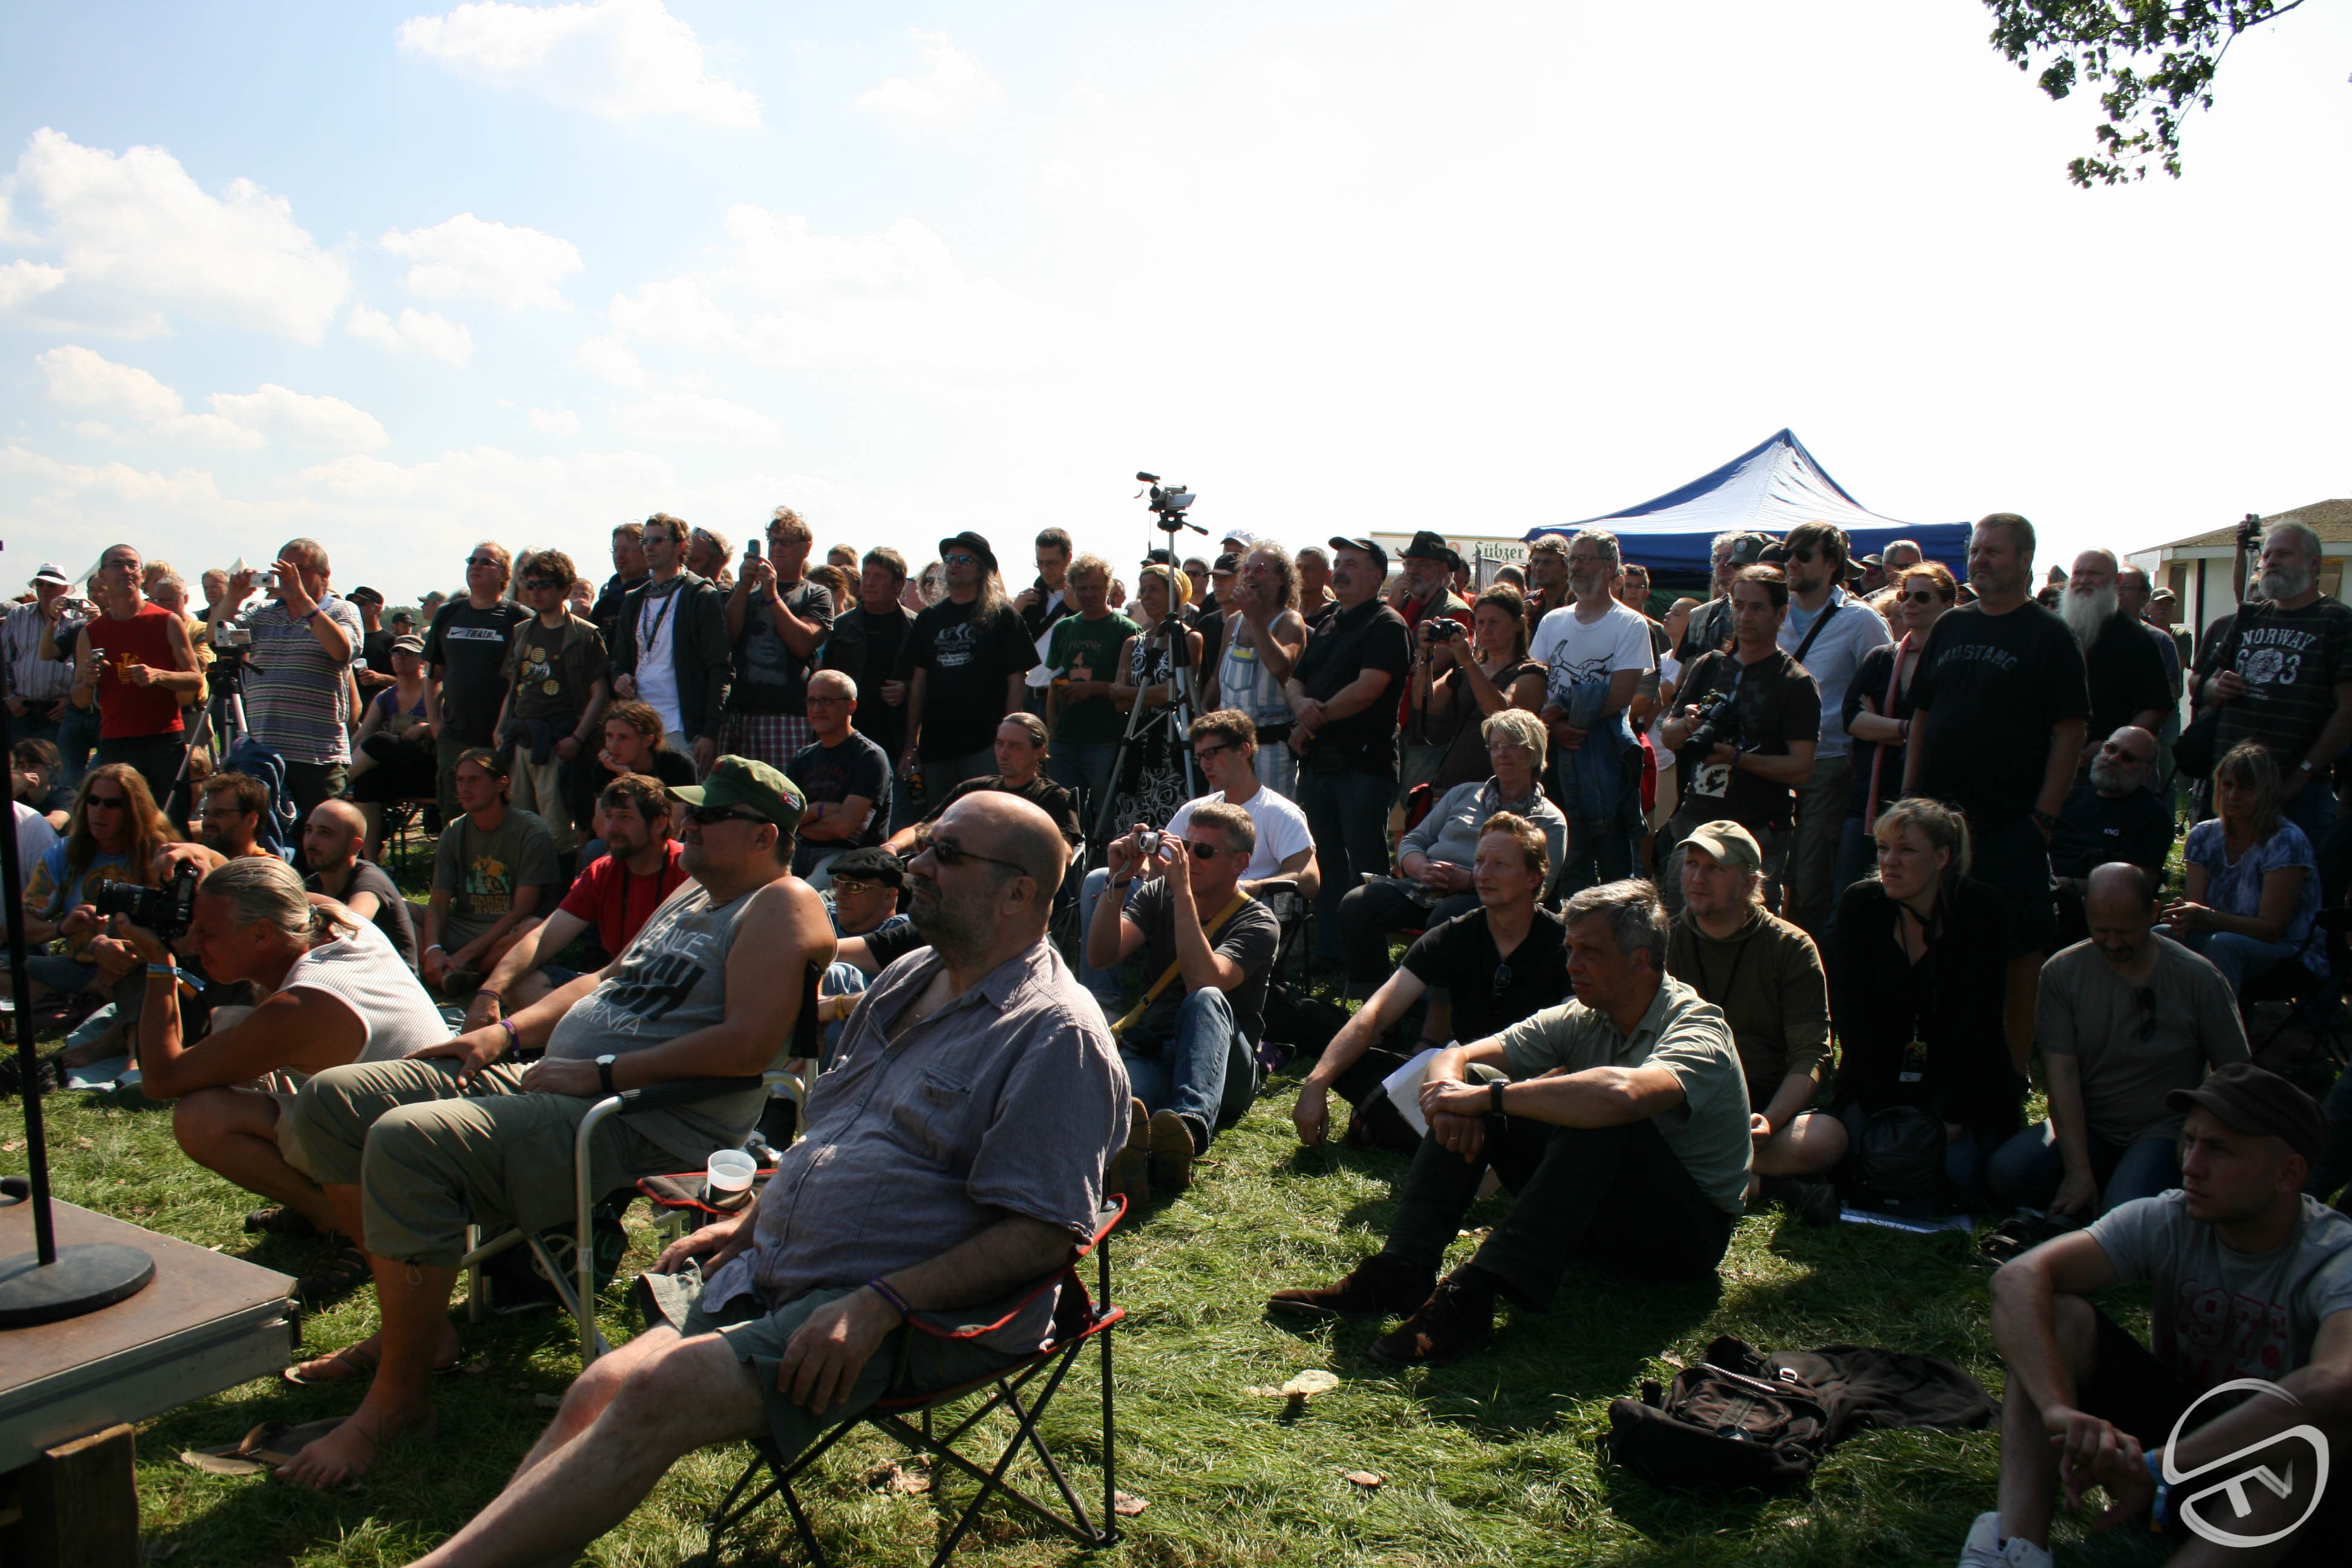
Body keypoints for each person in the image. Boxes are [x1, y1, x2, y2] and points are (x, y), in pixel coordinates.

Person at [398, 791, 1114, 1565]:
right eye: (925, 848)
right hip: (788, 1265)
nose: (917, 868)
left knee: (660, 1390)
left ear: (1018, 892)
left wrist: (878, 1304)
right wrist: (750, 1223)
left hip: (911, 1316)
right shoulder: (911, 975)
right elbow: (837, 1134)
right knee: (600, 1385)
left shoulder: (1055, 1033)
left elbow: (1043, 1235)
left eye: (947, 855)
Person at [275, 757, 828, 1489]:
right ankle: (418, 1328)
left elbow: (747, 1048)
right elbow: (603, 980)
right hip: (561, 1081)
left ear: (764, 837)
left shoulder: (783, 903)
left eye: (710, 816)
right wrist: (502, 1034)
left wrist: (601, 1074)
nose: (689, 823)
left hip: (637, 1119)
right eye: (692, 811)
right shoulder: (693, 891)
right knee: (331, 1103)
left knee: (406, 1142)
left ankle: (398, 1403)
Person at [1268, 880, 1750, 1368]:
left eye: (1589, 952)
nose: (1572, 965)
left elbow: (1623, 1095)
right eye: (1569, 949)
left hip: (1680, 1241)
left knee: (1600, 1118)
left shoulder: (1698, 1028)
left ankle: (1471, 1297)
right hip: (1603, 1216)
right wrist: (1455, 1099)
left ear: (1640, 960)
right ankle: (1403, 1268)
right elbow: (1455, 1058)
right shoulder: (1585, 1014)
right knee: (1476, 1083)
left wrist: (1487, 1099)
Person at [1965, 1065, 2351, 1568]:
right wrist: (2058, 1409)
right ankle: (2015, 1549)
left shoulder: (2334, 1255)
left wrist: (2161, 1467)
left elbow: (2334, 1385)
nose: (2192, 1165)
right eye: (2188, 1141)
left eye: (2219, 1150)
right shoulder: (2171, 1218)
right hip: (2175, 1446)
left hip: (2277, 1487)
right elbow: (2017, 1278)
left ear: (2288, 1174)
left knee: (2313, 1437)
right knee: (2057, 1318)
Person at [99, 856, 448, 1291]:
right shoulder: (339, 923)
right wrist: (200, 881)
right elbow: (279, 890)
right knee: (235, 1038)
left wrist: (159, 963)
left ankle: (343, 1223)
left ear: (262, 933)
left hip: (411, 1171)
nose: (194, 942)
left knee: (201, 1116)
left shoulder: (306, 1004)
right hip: (428, 1136)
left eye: (208, 931)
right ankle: (332, 1205)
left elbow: (161, 1079)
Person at [1903, 514, 2091, 1080]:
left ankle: (2009, 1078)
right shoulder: (1951, 626)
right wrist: (1908, 799)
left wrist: (2044, 816)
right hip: (1939, 826)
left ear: (2025, 560)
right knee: (1939, 946)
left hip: (2011, 825)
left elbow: (2070, 729)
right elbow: (1923, 714)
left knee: (2018, 952)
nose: (1980, 560)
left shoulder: (2049, 634)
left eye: (1994, 551)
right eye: (1976, 551)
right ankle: (1945, 1065)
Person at [1986, 864, 2249, 1220]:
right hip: (2090, 1125)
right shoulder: (2063, 973)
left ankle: (2116, 1195)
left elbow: (2235, 1073)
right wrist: (2077, 1170)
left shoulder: (2199, 979)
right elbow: (2061, 1075)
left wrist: (2208, 1146)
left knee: (2123, 1216)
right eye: (2101, 931)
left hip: (2163, 1129)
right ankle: (2095, 1189)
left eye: (2125, 932)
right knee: (2007, 1172)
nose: (2112, 943)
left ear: (2153, 913)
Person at [1292, 814, 1568, 1146]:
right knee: (1335, 1048)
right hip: (1459, 1078)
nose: (1483, 874)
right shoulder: (1454, 934)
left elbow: (1582, 1045)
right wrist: (1316, 1083)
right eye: (1480, 861)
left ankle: (1392, 1123)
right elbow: (1376, 1012)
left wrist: (1513, 1098)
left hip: (1535, 1089)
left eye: (1500, 865)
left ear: (1533, 878)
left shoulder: (1566, 944)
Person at [1828, 797, 2022, 1200]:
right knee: (1863, 1160)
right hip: (1879, 1075)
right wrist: (1883, 1112)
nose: (1889, 862)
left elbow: (1980, 1022)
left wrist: (1955, 1116)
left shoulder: (1980, 909)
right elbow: (1853, 1018)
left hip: (1957, 1078)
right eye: (1883, 848)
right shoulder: (1862, 905)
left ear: (1942, 857)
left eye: (1906, 850)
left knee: (1956, 1175)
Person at [1090, 801, 1278, 1194]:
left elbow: (1203, 980)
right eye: (1187, 846)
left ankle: (1188, 1130)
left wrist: (1181, 893)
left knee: (1206, 999)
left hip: (1224, 1065)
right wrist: (1118, 881)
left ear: (1240, 863)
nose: (1190, 858)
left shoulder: (1259, 922)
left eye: (1204, 851)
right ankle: (1137, 1165)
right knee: (1123, 1110)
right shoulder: (1159, 894)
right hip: (1156, 1046)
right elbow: (1102, 956)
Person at [1667, 820, 1846, 1225]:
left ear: (1750, 882)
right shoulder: (1666, 940)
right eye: (1691, 864)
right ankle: (1769, 1186)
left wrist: (1770, 1121)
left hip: (1763, 1107)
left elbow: (1812, 1053)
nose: (1697, 878)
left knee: (1825, 1139)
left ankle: (1697, 1171)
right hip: (1687, 1102)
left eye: (1715, 868)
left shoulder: (1791, 947)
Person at [1338, 709, 1566, 994]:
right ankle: (1372, 998)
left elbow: (1541, 885)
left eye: (1512, 746)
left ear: (1534, 753)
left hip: (1486, 898)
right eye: (1495, 746)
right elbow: (1413, 841)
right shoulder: (1463, 794)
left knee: (1447, 918)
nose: (1501, 754)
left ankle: (1432, 1005)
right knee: (1358, 903)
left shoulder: (1547, 819)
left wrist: (1470, 881)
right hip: (1425, 887)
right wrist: (1421, 868)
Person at [465, 773, 689, 1030]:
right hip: (615, 989)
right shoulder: (601, 872)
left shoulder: (689, 870)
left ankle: (594, 1031)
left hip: (669, 995)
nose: (612, 827)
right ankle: (604, 1031)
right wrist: (490, 992)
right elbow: (543, 939)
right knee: (519, 984)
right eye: (609, 816)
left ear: (659, 824)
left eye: (625, 817)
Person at [1286, 538, 1414, 969]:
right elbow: (1295, 681)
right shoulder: (1326, 623)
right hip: (1319, 765)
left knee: (1365, 868)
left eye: (1352, 564)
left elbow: (1368, 689)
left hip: (1363, 766)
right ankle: (1330, 954)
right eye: (1338, 563)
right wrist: (1302, 710)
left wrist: (1312, 719)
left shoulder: (1387, 624)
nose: (1340, 570)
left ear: (1377, 576)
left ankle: (1369, 964)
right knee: (1323, 863)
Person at [1658, 566, 1820, 906]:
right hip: (1697, 821)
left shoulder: (1795, 682)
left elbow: (1801, 769)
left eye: (1757, 607)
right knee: (1679, 925)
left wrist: (1737, 758)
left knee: (1748, 928)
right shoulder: (1710, 664)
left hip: (1758, 829)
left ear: (1781, 614)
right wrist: (1688, 724)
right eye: (1739, 605)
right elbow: (1669, 736)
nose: (1744, 617)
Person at [1773, 523, 1892, 935]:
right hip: (1767, 761)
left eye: (1804, 555)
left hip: (1828, 764)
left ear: (1832, 565)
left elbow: (1883, 688)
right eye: (1787, 554)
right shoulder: (1773, 610)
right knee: (1766, 874)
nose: (1792, 563)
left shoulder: (1861, 621)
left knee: (1811, 882)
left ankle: (1810, 961)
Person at [2200, 520, 2352, 843]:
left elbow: (2348, 710)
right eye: (2267, 555)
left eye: (2284, 554)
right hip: (2231, 785)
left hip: (2297, 792)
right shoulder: (2250, 615)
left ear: (2314, 564)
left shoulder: (2338, 621)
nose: (2270, 562)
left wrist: (2302, 775)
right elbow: (2206, 686)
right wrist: (2218, 687)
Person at [1531, 529, 1654, 896]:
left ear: (1611, 566)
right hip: (1554, 751)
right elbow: (1536, 683)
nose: (1576, 567)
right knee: (1561, 858)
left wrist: (1564, 712)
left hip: (1603, 754)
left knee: (1613, 861)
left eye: (1585, 559)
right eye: (1573, 559)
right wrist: (1554, 728)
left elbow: (1620, 695)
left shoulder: (1629, 623)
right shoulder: (1553, 621)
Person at [54, 543, 204, 816]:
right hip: (116, 742)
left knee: (171, 823)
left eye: (132, 565)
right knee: (121, 824)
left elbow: (195, 680)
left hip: (164, 740)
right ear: (102, 576)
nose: (126, 571)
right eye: (117, 565)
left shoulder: (167, 621)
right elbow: (79, 699)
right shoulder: (91, 632)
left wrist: (159, 675)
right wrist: (88, 681)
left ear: (142, 574)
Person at [1837, 560, 1957, 901]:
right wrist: (1911, 728)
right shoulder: (1881, 659)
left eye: (1922, 597)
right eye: (1905, 595)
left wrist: (1881, 726)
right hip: (1870, 802)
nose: (1910, 604)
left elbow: (1947, 729)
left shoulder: (1955, 663)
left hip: (1930, 803)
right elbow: (1852, 719)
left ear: (1948, 604)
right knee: (1848, 899)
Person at [2165, 742, 2324, 998]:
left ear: (2266, 793)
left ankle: (2218, 1022)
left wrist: (2208, 917)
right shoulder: (2203, 835)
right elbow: (2198, 911)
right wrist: (2185, 917)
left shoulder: (2286, 842)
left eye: (2245, 788)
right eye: (2228, 785)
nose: (2233, 795)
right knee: (2160, 937)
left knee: (2224, 945)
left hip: (2285, 950)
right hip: (2216, 934)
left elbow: (2271, 930)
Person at [897, 531, 1038, 818]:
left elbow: (1016, 681)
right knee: (939, 825)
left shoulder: (1004, 617)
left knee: (985, 821)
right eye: (950, 559)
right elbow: (919, 683)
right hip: (936, 745)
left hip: (986, 745)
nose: (954, 565)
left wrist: (1009, 739)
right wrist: (912, 741)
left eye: (965, 560)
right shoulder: (928, 619)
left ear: (982, 569)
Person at [492, 549, 610, 856]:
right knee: (519, 825)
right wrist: (500, 728)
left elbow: (600, 693)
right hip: (520, 738)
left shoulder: (584, 634)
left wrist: (577, 738)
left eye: (543, 585)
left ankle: (562, 886)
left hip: (559, 741)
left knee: (558, 833)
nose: (535, 592)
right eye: (530, 584)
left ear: (564, 589)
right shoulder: (522, 631)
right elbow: (514, 686)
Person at [419, 749, 559, 996]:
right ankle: (440, 967)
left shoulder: (531, 831)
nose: (465, 788)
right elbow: (439, 901)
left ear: (500, 784)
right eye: (460, 780)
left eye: (474, 780)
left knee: (533, 928)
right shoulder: (454, 830)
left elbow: (522, 910)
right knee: (398, 909)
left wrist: (466, 955)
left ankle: (471, 972)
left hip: (507, 932)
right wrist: (433, 949)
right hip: (464, 926)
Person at [609, 514, 732, 779]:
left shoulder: (701, 595)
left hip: (682, 727)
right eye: (645, 541)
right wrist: (620, 677)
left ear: (680, 546)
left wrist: (709, 733)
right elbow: (620, 662)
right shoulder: (634, 599)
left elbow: (719, 668)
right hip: (639, 726)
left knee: (678, 800)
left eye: (658, 540)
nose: (649, 547)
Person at [423, 543, 532, 823]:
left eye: (486, 562)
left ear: (504, 573)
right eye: (472, 561)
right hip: (455, 735)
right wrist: (435, 724)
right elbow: (433, 675)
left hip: (501, 737)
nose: (476, 567)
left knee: (504, 814)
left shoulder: (518, 617)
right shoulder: (448, 614)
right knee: (454, 815)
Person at [722, 505, 834, 772]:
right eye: (773, 542)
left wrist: (772, 595)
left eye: (786, 542)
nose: (777, 549)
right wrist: (744, 587)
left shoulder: (816, 594)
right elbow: (726, 638)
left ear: (806, 548)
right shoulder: (745, 591)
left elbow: (803, 643)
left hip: (788, 714)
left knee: (785, 793)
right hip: (740, 713)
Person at [885, 713, 1082, 857]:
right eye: (999, 744)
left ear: (1039, 752)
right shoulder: (973, 790)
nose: (1003, 754)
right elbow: (921, 828)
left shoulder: (1052, 796)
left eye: (1014, 746)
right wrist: (891, 847)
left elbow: (1065, 853)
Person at [1411, 583, 1544, 799]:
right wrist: (1427, 656)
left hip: (1498, 791)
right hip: (1451, 786)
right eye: (1480, 622)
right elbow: (1426, 703)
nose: (1485, 630)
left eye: (1494, 622)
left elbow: (1502, 716)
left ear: (1519, 624)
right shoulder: (1469, 669)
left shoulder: (1532, 673)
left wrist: (1469, 663)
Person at [1103, 563, 1204, 835]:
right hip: (1137, 739)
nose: (1146, 596)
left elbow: (1176, 692)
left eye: (1154, 590)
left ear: (1174, 594)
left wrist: (1134, 694)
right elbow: (1118, 699)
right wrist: (1154, 694)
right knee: (1132, 820)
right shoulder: (1133, 643)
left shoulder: (1189, 639)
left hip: (1173, 741)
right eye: (1143, 590)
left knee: (1171, 822)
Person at [2048, 726, 2172, 947]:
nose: (2113, 759)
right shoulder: (2069, 797)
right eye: (2110, 749)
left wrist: (2070, 884)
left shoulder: (2151, 817)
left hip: (2090, 910)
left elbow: (2140, 884)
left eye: (2128, 758)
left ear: (2147, 771)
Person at [2059, 549, 2172, 780]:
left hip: (2108, 771)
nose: (2084, 580)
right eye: (2078, 573)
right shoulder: (2055, 632)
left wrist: (2112, 745)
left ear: (2118, 581)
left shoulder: (2137, 640)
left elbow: (2157, 707)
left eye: (2095, 573)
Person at [1206, 544, 1308, 796]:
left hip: (1269, 749)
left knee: (1269, 816)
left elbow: (1280, 667)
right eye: (1247, 569)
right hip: (1228, 748)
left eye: (1260, 569)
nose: (1251, 574)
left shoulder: (1290, 621)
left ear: (1282, 579)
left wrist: (1256, 621)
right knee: (1222, 817)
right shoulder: (1234, 622)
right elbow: (1217, 679)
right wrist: (1203, 720)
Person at [1040, 553, 1138, 815]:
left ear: (1108, 587)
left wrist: (1094, 688)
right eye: (1082, 588)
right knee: (1066, 814)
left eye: (1095, 588)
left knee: (1107, 812)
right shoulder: (1064, 629)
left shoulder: (1126, 630)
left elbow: (1134, 690)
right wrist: (1051, 731)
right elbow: (1054, 682)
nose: (1088, 594)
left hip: (1106, 738)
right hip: (1065, 739)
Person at [819, 546, 915, 800]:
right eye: (866, 575)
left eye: (878, 577)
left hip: (897, 740)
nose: (869, 583)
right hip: (849, 737)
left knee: (898, 811)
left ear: (898, 584)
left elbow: (931, 680)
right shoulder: (842, 626)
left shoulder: (915, 627)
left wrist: (907, 689)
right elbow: (825, 679)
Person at [784, 670, 890, 887]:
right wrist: (820, 810)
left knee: (806, 896)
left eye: (827, 701)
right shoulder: (803, 758)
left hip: (849, 858)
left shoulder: (870, 757)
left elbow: (844, 827)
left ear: (851, 706)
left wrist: (803, 826)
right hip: (799, 852)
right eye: (812, 701)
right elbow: (786, 819)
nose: (817, 709)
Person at [1393, 532, 1474, 793]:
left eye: (1423, 565)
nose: (1413, 571)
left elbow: (1435, 661)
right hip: (1394, 721)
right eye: (1409, 564)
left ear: (1442, 571)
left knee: (1415, 802)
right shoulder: (1399, 604)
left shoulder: (1456, 611)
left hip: (1424, 729)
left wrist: (1397, 657)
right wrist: (1392, 604)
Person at [347, 634, 437, 861]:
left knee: (383, 741)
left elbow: (449, 728)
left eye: (408, 653)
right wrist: (343, 760)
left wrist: (426, 728)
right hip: (399, 773)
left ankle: (339, 785)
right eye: (396, 652)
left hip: (431, 771)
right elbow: (362, 736)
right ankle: (370, 860)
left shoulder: (435, 691)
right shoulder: (385, 697)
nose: (400, 657)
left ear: (422, 660)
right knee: (366, 782)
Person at [301, 799, 417, 970]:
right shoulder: (312, 885)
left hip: (384, 979)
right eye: (309, 830)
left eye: (325, 833)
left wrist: (299, 898)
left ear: (354, 846)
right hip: (343, 969)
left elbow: (351, 925)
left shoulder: (370, 879)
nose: (311, 841)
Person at [3, 562, 77, 747]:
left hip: (60, 710)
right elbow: (4, 659)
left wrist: (71, 700)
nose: (45, 589)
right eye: (40, 584)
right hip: (23, 708)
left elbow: (84, 664)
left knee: (57, 763)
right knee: (24, 762)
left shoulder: (77, 619)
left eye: (51, 585)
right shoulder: (18, 615)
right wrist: (10, 698)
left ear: (64, 590)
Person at [589, 521, 648, 647]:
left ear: (645, 552)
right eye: (616, 550)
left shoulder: (654, 597)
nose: (619, 556)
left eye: (626, 550)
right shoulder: (603, 606)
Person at [1014, 526, 1074, 647]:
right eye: (1040, 563)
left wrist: (1080, 610)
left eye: (1052, 563)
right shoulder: (1028, 602)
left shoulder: (1084, 597)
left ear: (1068, 558)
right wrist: (1013, 613)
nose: (1045, 570)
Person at [1520, 533, 1570, 638]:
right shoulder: (1531, 600)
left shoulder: (1577, 603)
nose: (1539, 568)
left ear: (1567, 567)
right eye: (1535, 562)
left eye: (1548, 562)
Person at [347, 586, 393, 697]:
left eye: (361, 603)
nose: (356, 608)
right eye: (352, 604)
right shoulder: (348, 637)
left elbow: (405, 681)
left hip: (378, 704)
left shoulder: (391, 641)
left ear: (378, 608)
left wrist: (380, 678)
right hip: (348, 703)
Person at [1295, 543, 1338, 630]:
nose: (1301, 574)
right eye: (1298, 568)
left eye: (1309, 569)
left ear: (1327, 574)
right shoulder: (1286, 611)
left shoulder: (1337, 613)